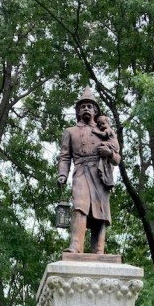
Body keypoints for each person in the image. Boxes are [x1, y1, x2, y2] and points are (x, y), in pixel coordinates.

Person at [57, 86, 121, 255]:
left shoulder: (104, 132)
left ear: (95, 111)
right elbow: (64, 156)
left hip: (100, 175)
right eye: (83, 106)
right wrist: (62, 174)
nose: (86, 108)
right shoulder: (70, 132)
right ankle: (76, 246)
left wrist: (109, 153)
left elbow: (117, 159)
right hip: (81, 172)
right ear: (78, 111)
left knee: (100, 212)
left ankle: (99, 250)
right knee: (79, 206)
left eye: (89, 106)